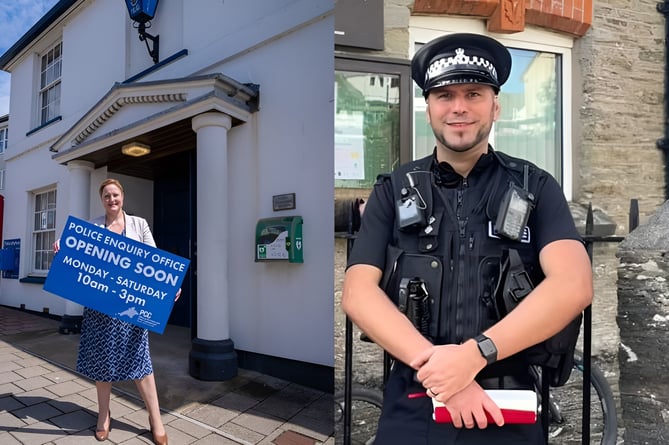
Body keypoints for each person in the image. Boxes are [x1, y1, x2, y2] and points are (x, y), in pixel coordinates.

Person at [341, 33, 593, 444]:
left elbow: (574, 284)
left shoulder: (537, 186)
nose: (458, 107)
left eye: (473, 93)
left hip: (506, 402)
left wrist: (475, 355)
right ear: (429, 109)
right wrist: (447, 377)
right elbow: (357, 292)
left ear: (496, 106)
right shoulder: (394, 188)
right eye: (444, 95)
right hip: (414, 399)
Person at [54, 178, 174, 444]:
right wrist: (62, 246)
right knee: (102, 363)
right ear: (102, 199)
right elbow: (75, 252)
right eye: (107, 196)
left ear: (123, 196)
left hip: (130, 309)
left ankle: (155, 417)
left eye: (115, 195)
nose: (112, 200)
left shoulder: (139, 224)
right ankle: (103, 416)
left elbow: (155, 262)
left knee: (140, 362)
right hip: (100, 310)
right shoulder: (94, 227)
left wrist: (169, 287)